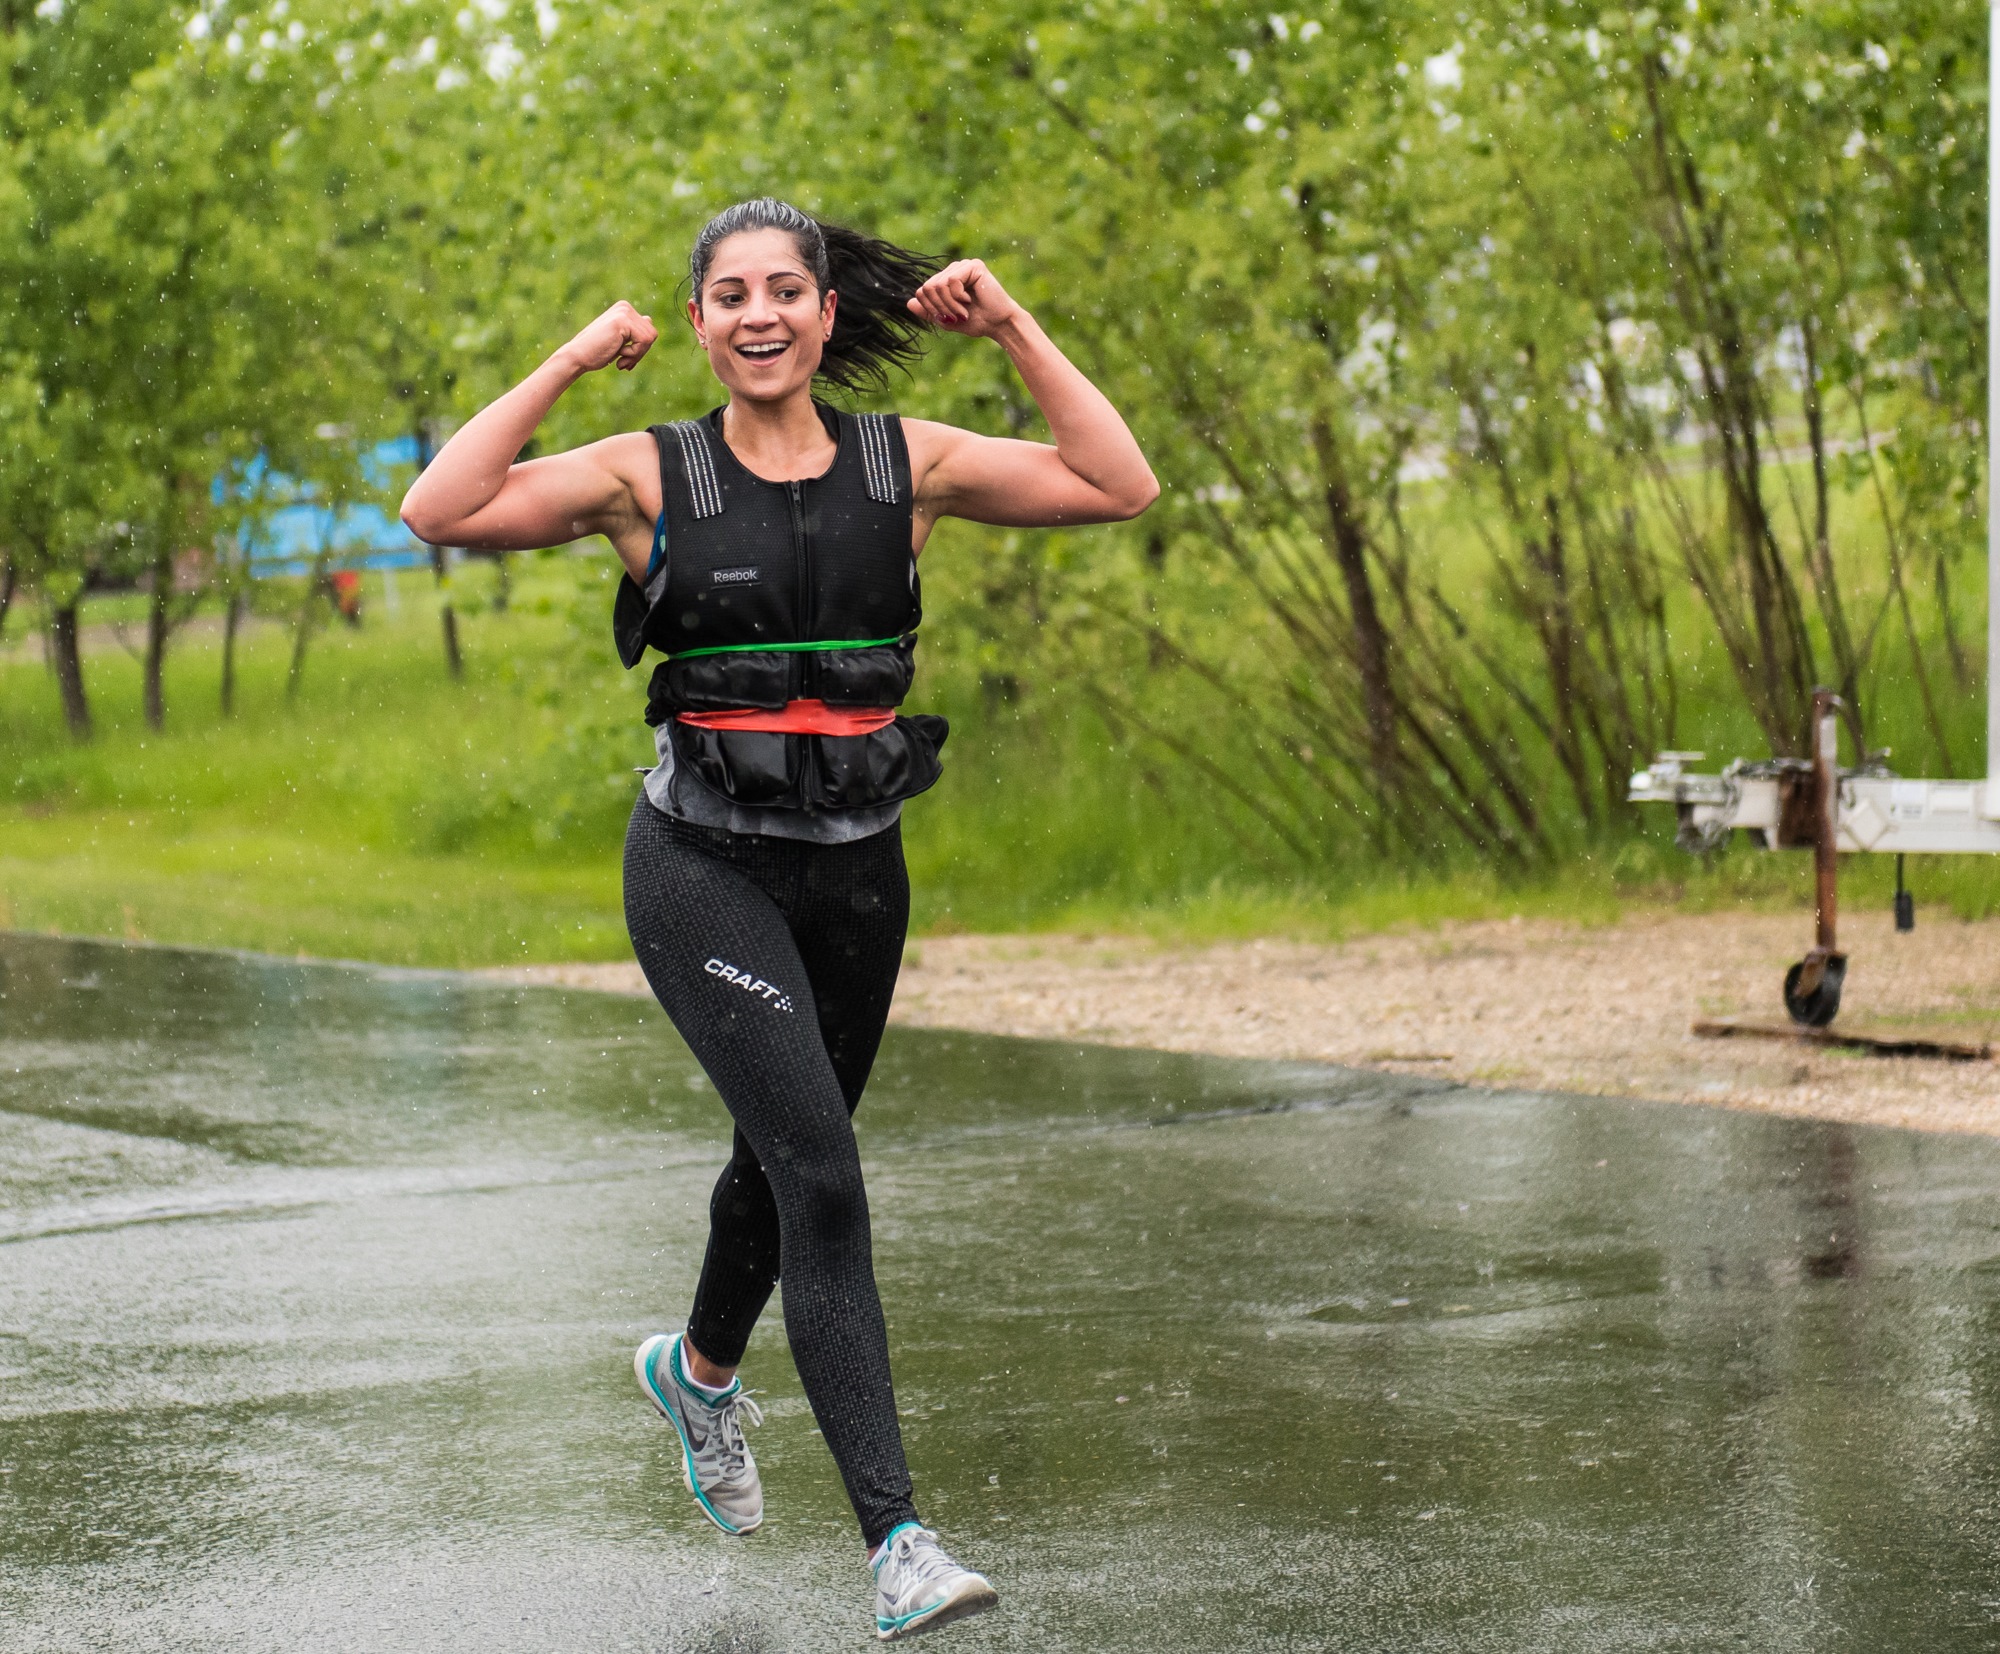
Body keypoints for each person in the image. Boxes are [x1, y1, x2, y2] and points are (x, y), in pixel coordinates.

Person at [401, 197, 1157, 1640]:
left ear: (822, 317)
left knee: (783, 1151)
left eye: (785, 292)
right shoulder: (646, 473)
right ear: (699, 323)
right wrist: (565, 362)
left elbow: (1119, 481)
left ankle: (696, 1371)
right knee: (824, 1172)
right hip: (700, 863)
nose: (758, 314)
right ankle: (898, 1539)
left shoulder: (909, 463)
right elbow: (438, 509)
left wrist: (1009, 326)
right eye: (729, 294)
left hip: (860, 871)